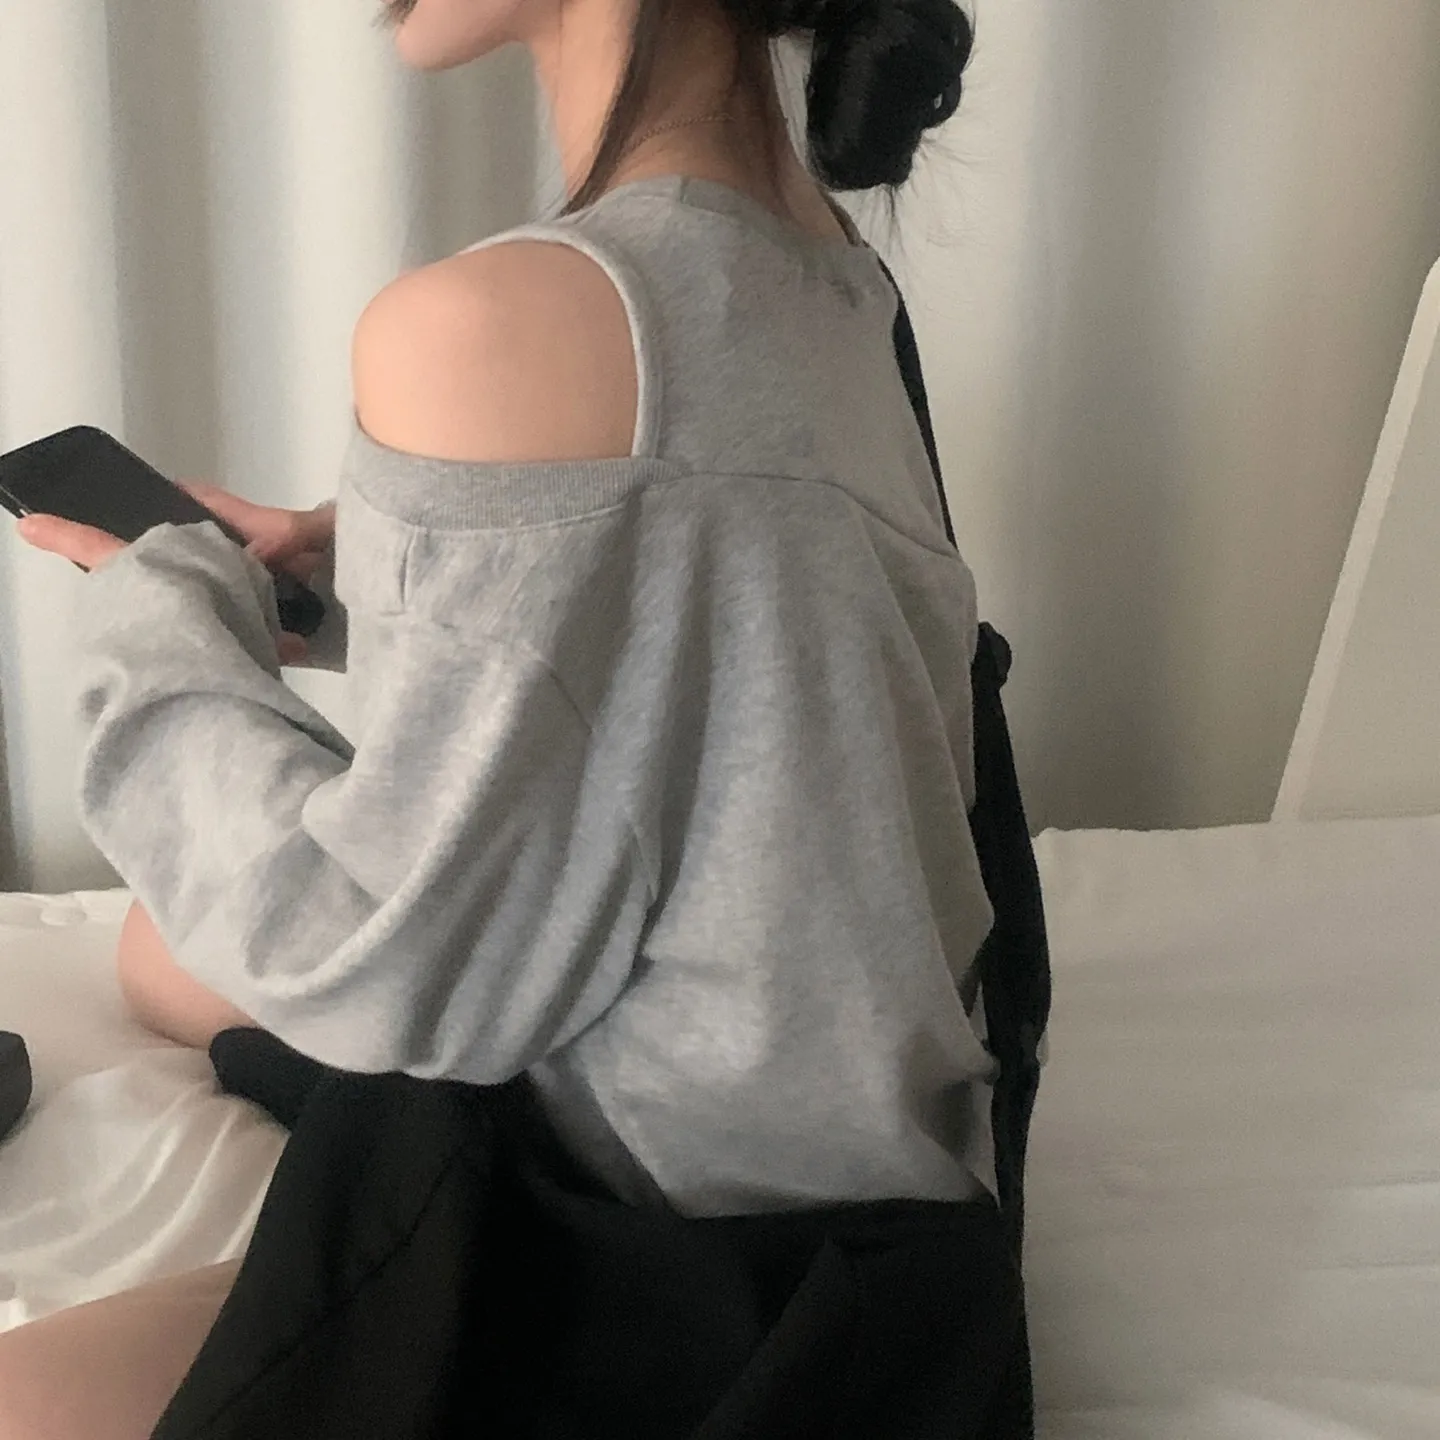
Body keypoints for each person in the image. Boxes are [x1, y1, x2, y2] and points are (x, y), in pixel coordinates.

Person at [0, 0, 991, 1434]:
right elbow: (735, 612)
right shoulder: (834, 276)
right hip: (842, 1098)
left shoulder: (495, 321)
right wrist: (370, 566)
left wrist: (155, 613)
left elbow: (385, 970)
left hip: (676, 1240)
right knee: (159, 954)